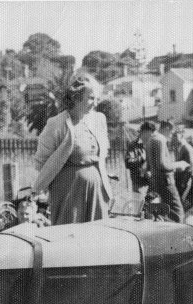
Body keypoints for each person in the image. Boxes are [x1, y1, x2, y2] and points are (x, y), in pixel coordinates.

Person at [33, 75, 113, 225]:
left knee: (98, 236)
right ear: (76, 98)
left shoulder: (99, 119)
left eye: (96, 98)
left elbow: (103, 152)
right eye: (90, 98)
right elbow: (40, 161)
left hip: (96, 188)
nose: (95, 103)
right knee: (70, 236)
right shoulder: (56, 124)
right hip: (68, 191)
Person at [146, 120, 188, 222]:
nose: (171, 135)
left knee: (161, 212)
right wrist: (179, 164)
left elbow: (150, 164)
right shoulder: (160, 139)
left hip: (156, 181)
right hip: (166, 182)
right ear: (167, 128)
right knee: (178, 213)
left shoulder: (151, 139)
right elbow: (162, 165)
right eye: (172, 132)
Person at [171, 124, 193, 208]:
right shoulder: (178, 148)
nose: (173, 138)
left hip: (184, 182)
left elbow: (190, 168)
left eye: (175, 135)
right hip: (178, 181)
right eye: (172, 135)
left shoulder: (187, 148)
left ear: (181, 135)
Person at [124, 126, 150, 194]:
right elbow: (128, 162)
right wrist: (141, 158)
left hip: (152, 183)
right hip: (139, 184)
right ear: (142, 132)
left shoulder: (152, 143)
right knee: (139, 203)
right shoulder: (133, 145)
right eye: (148, 133)